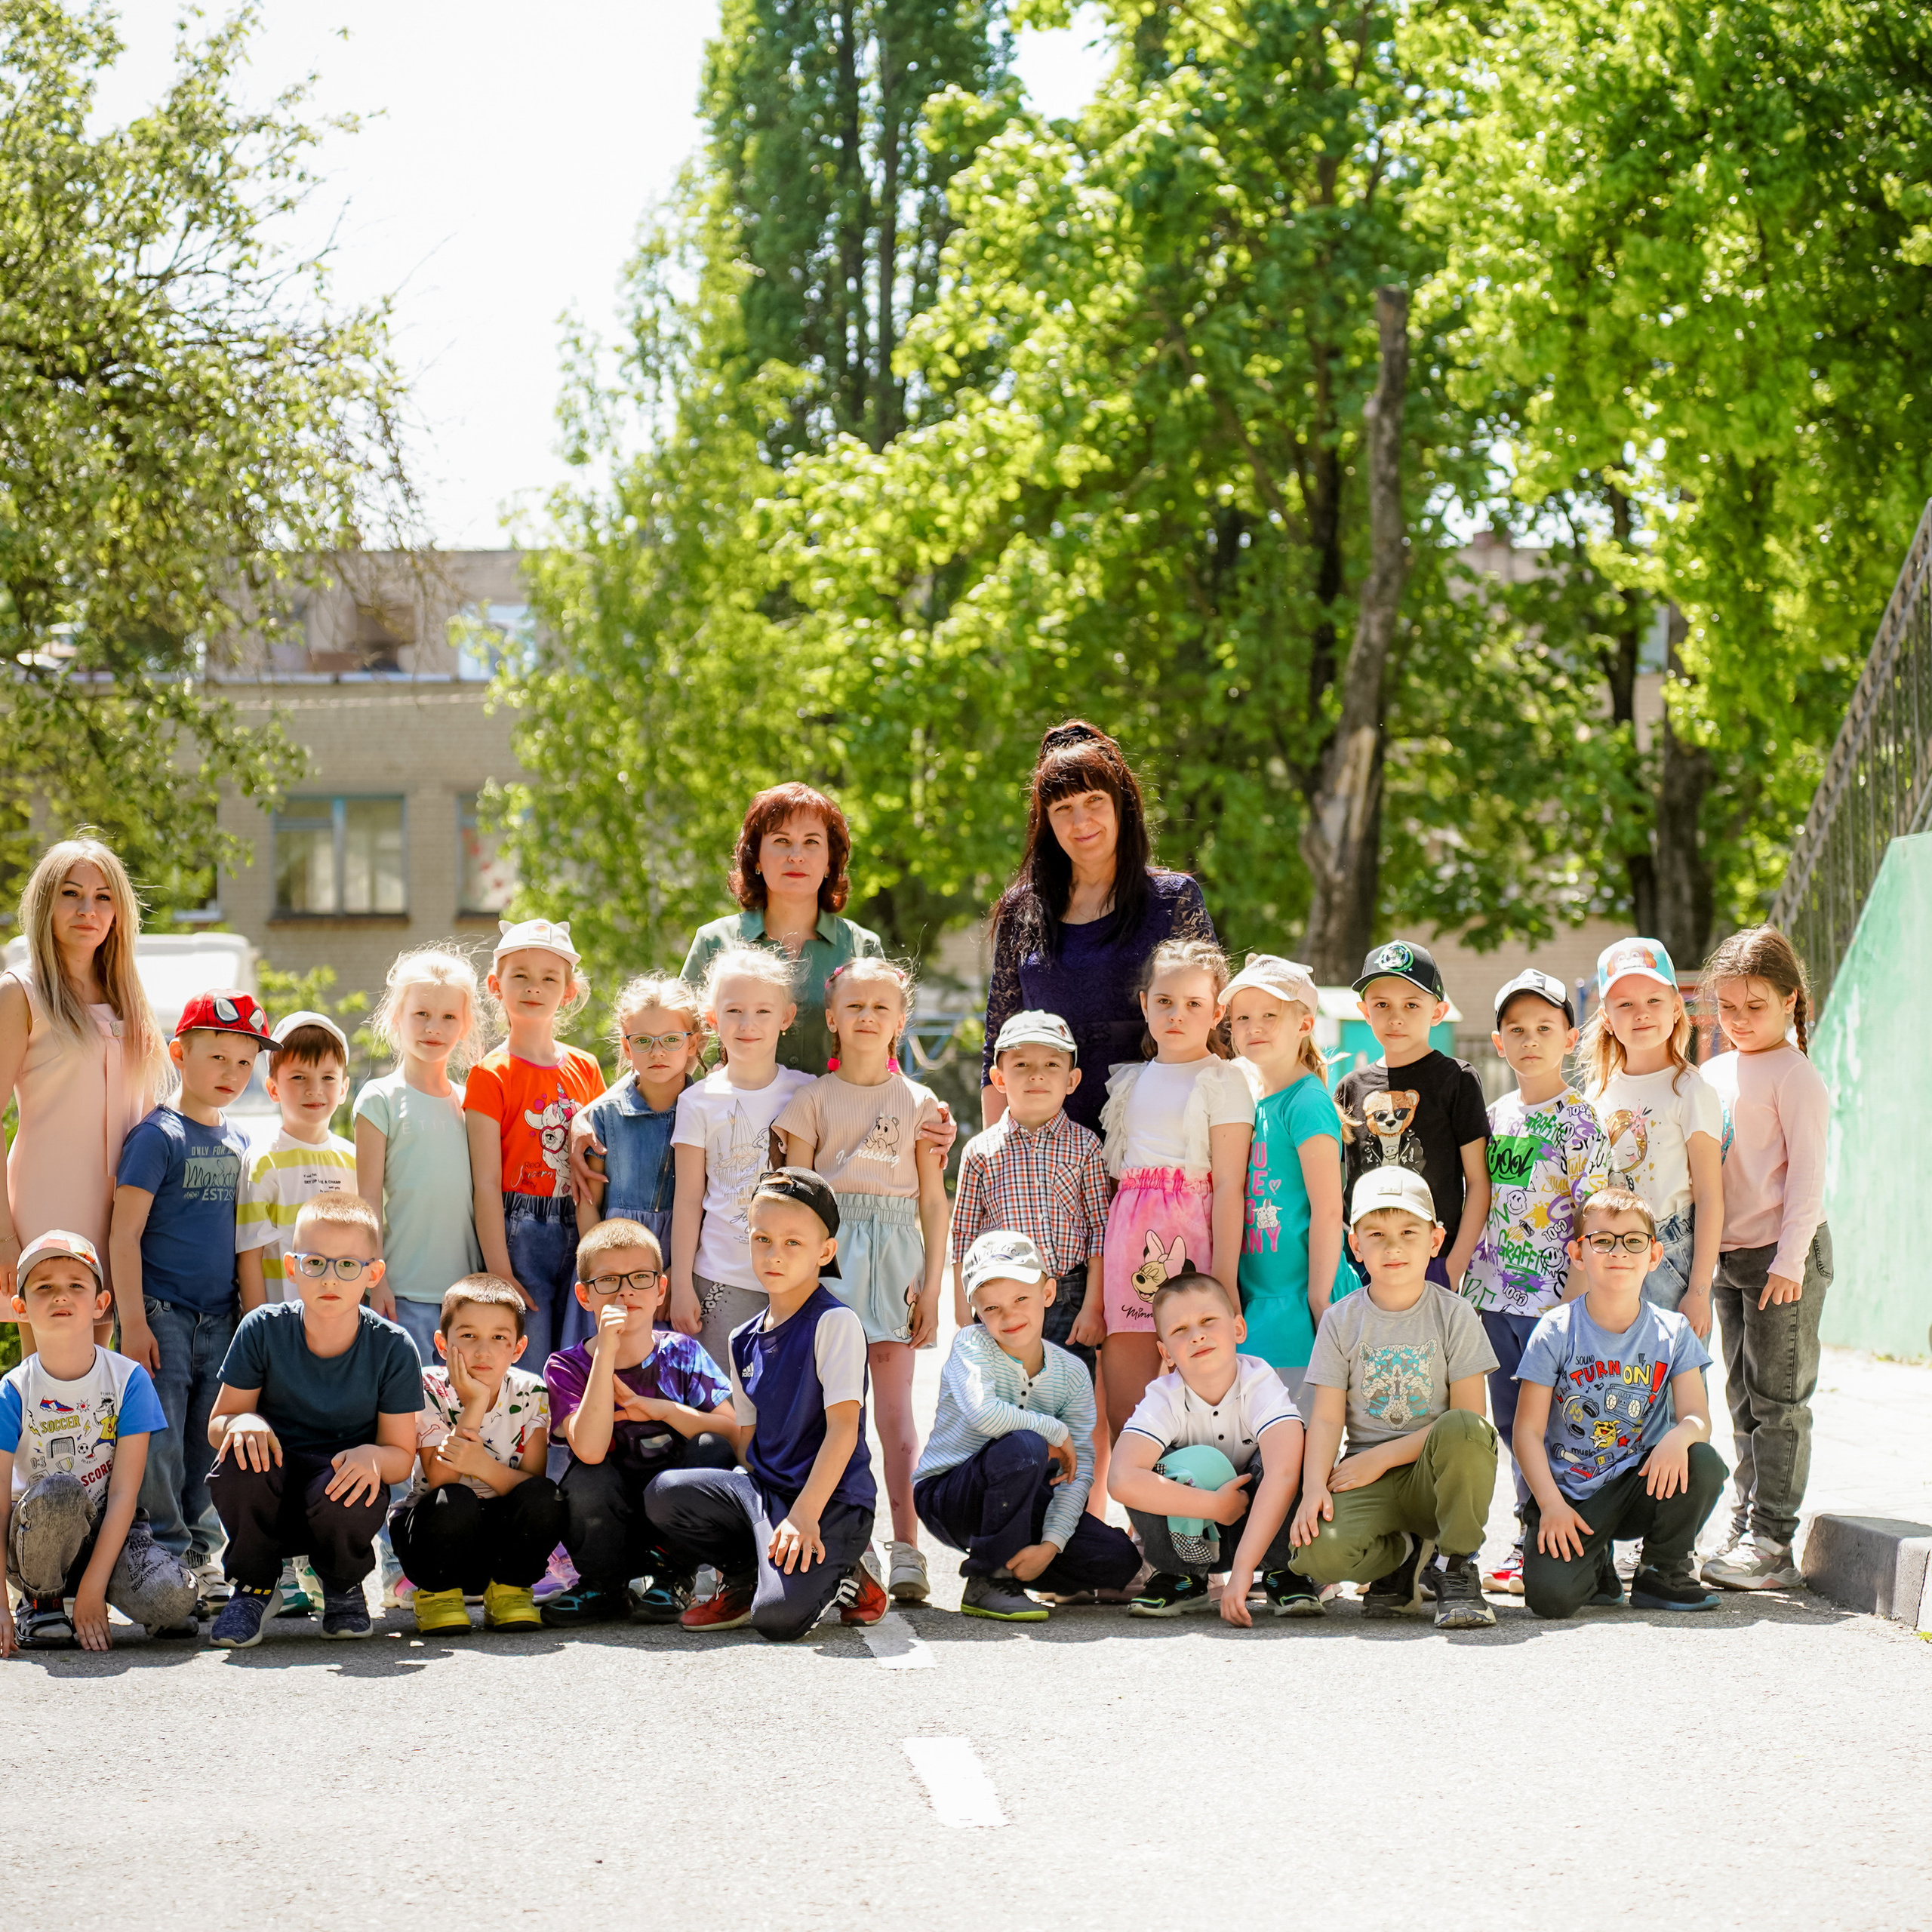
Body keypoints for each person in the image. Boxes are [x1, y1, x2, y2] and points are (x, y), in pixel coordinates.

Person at [645, 1170, 888, 1640]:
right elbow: (748, 1439)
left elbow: (843, 1432)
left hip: (830, 1502)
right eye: (763, 1239)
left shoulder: (834, 1323)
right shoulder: (743, 1339)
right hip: (768, 1495)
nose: (774, 1255)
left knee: (778, 1620)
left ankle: (849, 1573)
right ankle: (745, 1573)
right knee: (665, 1491)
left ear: (825, 1252)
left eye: (793, 1243)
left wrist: (802, 1517)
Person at [777, 957, 949, 1604]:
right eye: (854, 1006)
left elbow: (933, 1201)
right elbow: (792, 1201)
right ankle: (853, 1544)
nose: (868, 1016)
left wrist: (931, 1287)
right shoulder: (812, 1102)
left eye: (882, 1006)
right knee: (833, 1415)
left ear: (900, 1022)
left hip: (897, 1264)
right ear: (833, 1020)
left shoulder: (920, 1103)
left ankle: (908, 1548)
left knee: (896, 1416)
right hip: (833, 1264)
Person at [203, 1193, 422, 1647]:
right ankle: (256, 1588)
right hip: (271, 1489)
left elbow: (401, 1458)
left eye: (347, 1266)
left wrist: (373, 1456)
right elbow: (218, 1423)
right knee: (237, 1460)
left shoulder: (394, 1347)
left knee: (358, 1478)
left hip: (337, 1492)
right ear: (291, 1267)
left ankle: (341, 1584)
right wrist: (243, 1423)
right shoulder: (262, 1328)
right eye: (315, 1263)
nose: (329, 1278)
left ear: (373, 1274)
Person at [1287, 1168, 1500, 1630]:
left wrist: (1384, 1457)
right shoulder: (1341, 1321)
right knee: (1314, 1555)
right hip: (1367, 1472)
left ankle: (1457, 1565)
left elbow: (1470, 1419)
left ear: (1435, 1240)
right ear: (1356, 1246)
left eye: (1409, 1232)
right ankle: (1402, 1557)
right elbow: (1325, 1419)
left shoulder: (1456, 1314)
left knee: (1467, 1431)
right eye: (1377, 1234)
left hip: (1435, 1472)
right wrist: (1313, 1489)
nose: (1394, 1246)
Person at [982, 721, 1218, 1138]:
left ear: (1121, 805)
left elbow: (1218, 1030)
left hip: (1158, 1154)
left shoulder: (1173, 899)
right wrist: (998, 1161)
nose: (1081, 821)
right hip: (1047, 1154)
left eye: (1094, 800)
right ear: (1046, 822)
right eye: (1062, 809)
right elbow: (998, 1048)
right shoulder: (1022, 911)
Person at [111, 989, 269, 1607]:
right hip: (163, 1312)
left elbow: (243, 1243)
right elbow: (124, 1233)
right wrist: (132, 1320)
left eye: (244, 1062)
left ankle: (204, 1555)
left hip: (221, 1315)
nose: (231, 1074)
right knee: (164, 1436)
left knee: (211, 1436)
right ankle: (164, 1552)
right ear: (180, 1053)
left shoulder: (238, 1143)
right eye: (217, 1057)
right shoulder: (157, 1136)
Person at [1462, 970, 1611, 1595]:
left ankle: (1579, 1549)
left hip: (1552, 1304)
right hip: (1491, 1300)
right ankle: (1526, 1537)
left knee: (1556, 1428)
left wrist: (1576, 1310)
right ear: (1498, 1042)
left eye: (1544, 1028)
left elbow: (1593, 1217)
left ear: (1570, 1038)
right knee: (1508, 1425)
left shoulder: (1581, 1120)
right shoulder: (1494, 1115)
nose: (1530, 1040)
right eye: (1516, 1030)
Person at [1697, 926, 1832, 1592]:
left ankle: (1773, 1541)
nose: (1740, 1021)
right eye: (1727, 1008)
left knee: (1780, 1401)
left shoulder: (1797, 1075)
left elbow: (1808, 1179)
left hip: (1784, 1259)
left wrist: (1789, 1262)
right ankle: (1746, 1520)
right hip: (1729, 1257)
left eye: (1755, 1007)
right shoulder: (1716, 1072)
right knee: (1742, 1398)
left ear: (1790, 1001)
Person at [1515, 1189, 1724, 1617]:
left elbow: (1697, 1418)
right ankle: (1598, 1568)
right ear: (1578, 1253)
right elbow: (1527, 1432)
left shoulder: (1674, 1330)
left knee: (1701, 1461)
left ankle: (1661, 1572)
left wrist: (1678, 1437)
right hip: (1571, 1494)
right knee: (1551, 1600)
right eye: (1603, 1240)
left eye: (1633, 1241)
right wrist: (1552, 1505)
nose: (1619, 1252)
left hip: (1637, 1482)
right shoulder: (1555, 1330)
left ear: (1654, 1255)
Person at [913, 1232, 1140, 1620]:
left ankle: (1025, 1564)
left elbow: (1077, 1467)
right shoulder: (971, 1345)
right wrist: (1056, 1431)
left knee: (1118, 1559)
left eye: (1021, 1299)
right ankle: (988, 1580)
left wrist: (1051, 1545)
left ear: (1048, 1294)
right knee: (1025, 1445)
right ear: (976, 1312)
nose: (1010, 1316)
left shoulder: (1070, 1371)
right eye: (992, 1308)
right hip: (950, 1495)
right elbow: (984, 1414)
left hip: (1022, 1499)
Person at [0, 835, 168, 1351]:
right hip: (46, 1206)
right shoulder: (18, 993)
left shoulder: (130, 999)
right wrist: (5, 1237)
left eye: (103, 897)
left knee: (104, 1383)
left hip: (124, 1212)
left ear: (118, 912)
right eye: (71, 893)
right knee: (49, 1377)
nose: (87, 909)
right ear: (46, 904)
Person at [1, 1232, 197, 1653]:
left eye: (76, 1285)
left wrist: (92, 1591)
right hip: (37, 1537)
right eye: (44, 1287)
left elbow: (126, 1493)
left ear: (100, 1304)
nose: (61, 1296)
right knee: (59, 1492)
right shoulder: (14, 1391)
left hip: (109, 1528)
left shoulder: (128, 1380)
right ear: (20, 1308)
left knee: (176, 1599)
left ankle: (99, 1592)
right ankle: (41, 1602)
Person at [540, 1218, 738, 1628]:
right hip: (611, 1524)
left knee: (711, 1448)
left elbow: (733, 1434)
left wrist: (663, 1410)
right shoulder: (567, 1366)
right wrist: (606, 1353)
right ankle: (604, 1586)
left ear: (660, 1289)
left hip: (673, 1521)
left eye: (640, 1277)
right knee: (585, 1477)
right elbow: (590, 1449)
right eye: (608, 1280)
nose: (626, 1290)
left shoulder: (683, 1353)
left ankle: (674, 1577)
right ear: (584, 1295)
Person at [1097, 937, 1254, 1438]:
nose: (1176, 1015)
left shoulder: (1223, 1080)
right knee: (1127, 1404)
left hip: (1191, 1242)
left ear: (1217, 1013)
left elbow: (1230, 1184)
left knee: (1193, 1390)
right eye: (1164, 1001)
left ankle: (1193, 1507)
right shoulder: (1130, 1080)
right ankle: (1141, 1512)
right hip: (1129, 1243)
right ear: (1145, 1003)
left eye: (1193, 1004)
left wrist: (1226, 1281)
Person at [1109, 1268, 1310, 1623]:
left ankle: (1285, 1570)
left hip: (1261, 1527)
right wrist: (1214, 1506)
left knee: (1298, 1452)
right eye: (1179, 1330)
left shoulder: (1259, 1381)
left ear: (1238, 1329)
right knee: (1148, 1468)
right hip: (1195, 1531)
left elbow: (1283, 1473)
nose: (1197, 1336)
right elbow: (1121, 1480)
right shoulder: (1164, 1397)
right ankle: (1182, 1577)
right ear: (1166, 1352)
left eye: (1207, 1321)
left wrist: (1245, 1569)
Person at [465, 918, 605, 1368]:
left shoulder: (586, 1068)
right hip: (519, 1233)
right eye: (520, 975)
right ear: (495, 985)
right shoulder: (491, 1074)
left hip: (580, 1221)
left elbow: (601, 1164)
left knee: (579, 1353)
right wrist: (500, 1272)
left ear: (568, 991)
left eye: (549, 978)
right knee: (528, 1362)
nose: (534, 987)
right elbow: (485, 1183)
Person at [389, 1274, 565, 1634]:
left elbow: (533, 1482)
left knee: (546, 1497)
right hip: (434, 1540)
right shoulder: (427, 1387)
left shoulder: (532, 1392)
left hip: (499, 1545)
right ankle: (437, 1596)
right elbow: (441, 1479)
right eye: (468, 1336)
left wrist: (480, 1465)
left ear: (517, 1348)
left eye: (499, 1338)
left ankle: (510, 1592)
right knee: (453, 1499)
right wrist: (477, 1402)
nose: (483, 1351)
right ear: (442, 1343)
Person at [680, 782, 884, 1077]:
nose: (796, 856)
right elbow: (677, 1048)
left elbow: (884, 1057)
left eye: (812, 842)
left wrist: (924, 1108)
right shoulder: (714, 942)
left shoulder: (863, 948)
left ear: (829, 862)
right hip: (733, 1119)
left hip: (838, 1121)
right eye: (781, 841)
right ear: (757, 859)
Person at [671, 945, 814, 1364]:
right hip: (718, 1279)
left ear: (786, 1018)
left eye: (763, 1012)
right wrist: (681, 1282)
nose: (748, 1024)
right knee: (725, 1411)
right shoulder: (697, 1101)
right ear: (713, 1018)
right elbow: (688, 1198)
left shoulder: (807, 1092)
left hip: (790, 1282)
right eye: (733, 1011)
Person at [1224, 955, 1355, 1403]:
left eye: (1269, 1015)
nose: (1254, 1026)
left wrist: (1320, 1301)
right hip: (1261, 1305)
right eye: (1243, 1017)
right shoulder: (1252, 1099)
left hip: (1302, 1306)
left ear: (1304, 1022)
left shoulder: (1306, 1101)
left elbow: (1327, 1208)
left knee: (1298, 1447)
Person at [1583, 937, 1723, 1334]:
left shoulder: (1691, 1090)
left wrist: (1698, 1290)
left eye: (1654, 1001)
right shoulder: (1596, 1095)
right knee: (1617, 1381)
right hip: (1608, 1254)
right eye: (1625, 1004)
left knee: (1677, 1386)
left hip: (1671, 1255)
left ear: (1677, 1007)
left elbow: (1711, 1196)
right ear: (1607, 1017)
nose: (1641, 1014)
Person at [355, 946, 488, 1365]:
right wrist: (377, 1280)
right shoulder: (379, 1099)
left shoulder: (473, 1104)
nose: (434, 1027)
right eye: (421, 1014)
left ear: (465, 1024)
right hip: (402, 1296)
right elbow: (368, 1201)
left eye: (449, 1017)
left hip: (466, 1299)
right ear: (397, 1015)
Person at [1335, 940, 1491, 1292]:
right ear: (1364, 1011)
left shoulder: (1457, 1079)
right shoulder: (1349, 1087)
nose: (1396, 1017)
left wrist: (1454, 1265)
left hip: (1434, 1263)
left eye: (1411, 1004)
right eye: (1382, 1005)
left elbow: (1478, 1182)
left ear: (1438, 1012)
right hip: (1365, 1266)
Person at [236, 1011, 358, 1311]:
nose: (314, 1089)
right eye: (298, 1077)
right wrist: (258, 1331)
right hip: (282, 1327)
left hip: (342, 1326)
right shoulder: (264, 1160)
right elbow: (250, 1254)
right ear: (273, 1088)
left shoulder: (353, 1159)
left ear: (343, 1088)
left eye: (328, 1077)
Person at [576, 974, 706, 1253]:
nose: (657, 1052)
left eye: (671, 1039)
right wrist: (599, 1266)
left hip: (687, 1259)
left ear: (692, 1044)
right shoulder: (604, 1117)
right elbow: (589, 1204)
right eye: (643, 1041)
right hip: (614, 1261)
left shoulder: (709, 1111)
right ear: (626, 1046)